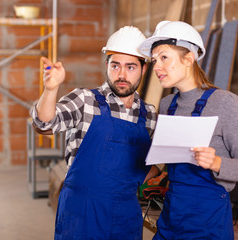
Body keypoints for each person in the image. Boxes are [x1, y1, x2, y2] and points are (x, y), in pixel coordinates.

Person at [31, 26, 157, 240]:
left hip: (126, 216)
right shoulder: (85, 100)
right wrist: (51, 90)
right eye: (115, 65)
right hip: (81, 214)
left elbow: (147, 166)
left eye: (131, 67)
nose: (122, 75)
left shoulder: (149, 115)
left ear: (144, 69)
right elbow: (44, 124)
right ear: (107, 65)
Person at [138, 21, 238, 239]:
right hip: (171, 217)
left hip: (208, 224)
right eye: (155, 59)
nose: (156, 67)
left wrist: (216, 163)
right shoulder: (168, 105)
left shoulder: (225, 102)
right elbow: (166, 161)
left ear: (189, 58)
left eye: (164, 57)